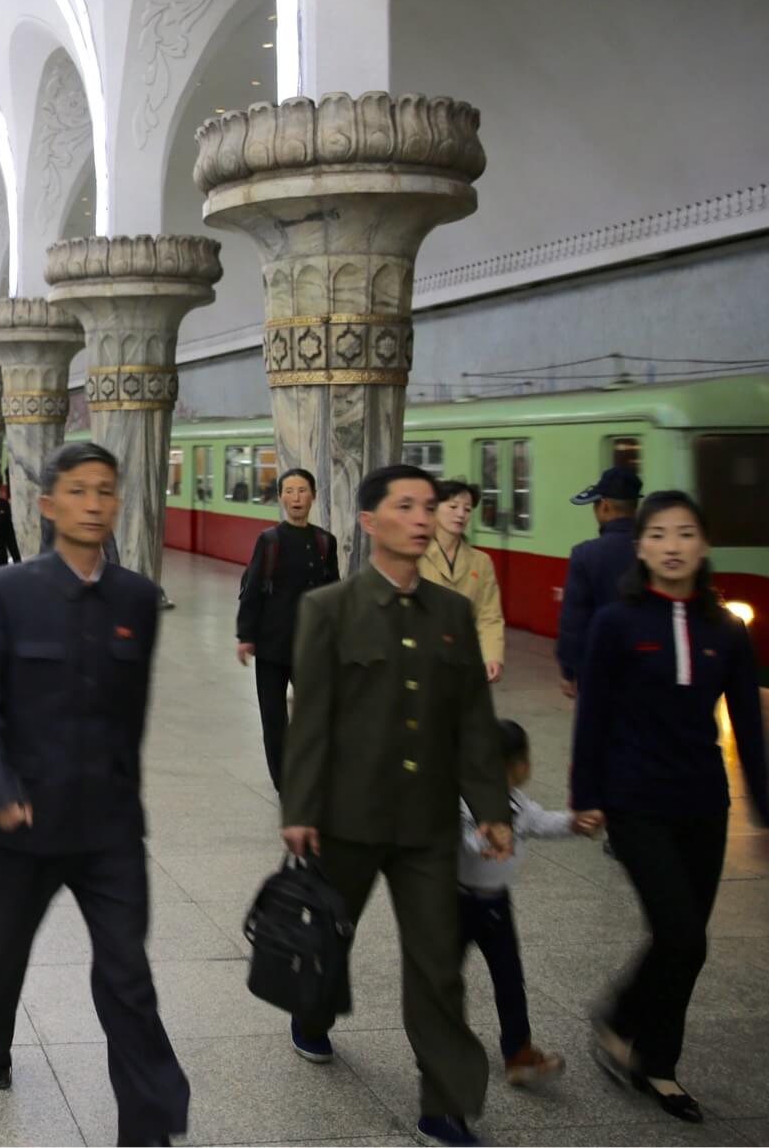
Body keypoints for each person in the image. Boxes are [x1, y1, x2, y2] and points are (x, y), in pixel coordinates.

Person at [0, 441, 190, 1145]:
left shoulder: (137, 599)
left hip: (110, 825)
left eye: (106, 491)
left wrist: (127, 794)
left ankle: (147, 1126)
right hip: (25, 819)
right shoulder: (7, 592)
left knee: (126, 972)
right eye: (79, 491)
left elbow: (134, 709)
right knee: (5, 946)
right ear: (49, 504)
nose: (94, 504)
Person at [283, 463, 511, 1148]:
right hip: (345, 820)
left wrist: (492, 806)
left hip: (427, 824)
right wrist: (300, 809)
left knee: (439, 965)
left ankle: (446, 1104)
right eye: (406, 505)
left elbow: (472, 716)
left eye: (429, 505)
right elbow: (311, 720)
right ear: (368, 521)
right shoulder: (330, 609)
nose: (422, 516)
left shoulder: (451, 613)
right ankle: (312, 1013)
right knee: (329, 938)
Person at [570, 490, 769, 1125]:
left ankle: (655, 1062)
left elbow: (748, 721)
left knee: (685, 944)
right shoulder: (617, 623)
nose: (671, 545)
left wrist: (767, 810)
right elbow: (594, 716)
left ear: (704, 545)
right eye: (658, 534)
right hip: (635, 801)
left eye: (685, 533)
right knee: (681, 931)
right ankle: (623, 1020)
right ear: (640, 547)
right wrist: (587, 797)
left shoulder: (728, 630)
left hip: (702, 802)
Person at [459, 720, 589, 1088]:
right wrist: (484, 840)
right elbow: (463, 838)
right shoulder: (462, 799)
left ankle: (518, 1052)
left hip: (496, 905)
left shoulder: (517, 802)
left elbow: (540, 821)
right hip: (454, 903)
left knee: (510, 979)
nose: (526, 767)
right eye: (522, 760)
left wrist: (573, 823)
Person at [234, 468, 340, 792]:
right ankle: (284, 782)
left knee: (315, 713)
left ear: (313, 496)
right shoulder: (269, 541)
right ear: (280, 497)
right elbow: (252, 588)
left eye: (303, 490)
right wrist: (245, 636)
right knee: (274, 717)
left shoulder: (325, 542)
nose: (296, 498)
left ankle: (310, 769)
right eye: (290, 491)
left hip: (310, 644)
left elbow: (334, 593)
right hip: (271, 643)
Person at [556, 465, 642, 699]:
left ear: (603, 505)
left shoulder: (586, 554)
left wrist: (568, 669)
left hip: (599, 666)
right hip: (649, 663)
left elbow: (574, 619)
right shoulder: (651, 550)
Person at [420, 480, 505, 683]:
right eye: (453, 506)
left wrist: (492, 656)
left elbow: (489, 615)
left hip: (465, 662)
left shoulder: (481, 561)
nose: (461, 514)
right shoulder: (415, 554)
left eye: (467, 509)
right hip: (422, 662)